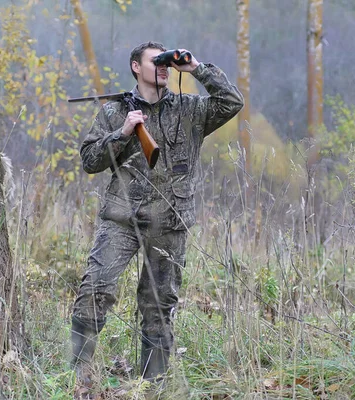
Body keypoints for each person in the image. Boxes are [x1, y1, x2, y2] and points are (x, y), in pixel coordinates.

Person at [70, 41, 244, 383]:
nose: (163, 67)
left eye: (167, 62)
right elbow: (90, 160)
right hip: (122, 218)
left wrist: (196, 68)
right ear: (136, 67)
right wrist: (121, 134)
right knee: (96, 290)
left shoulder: (190, 110)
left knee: (159, 306)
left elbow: (232, 102)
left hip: (170, 220)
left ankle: (154, 385)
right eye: (155, 62)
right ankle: (77, 375)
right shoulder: (114, 112)